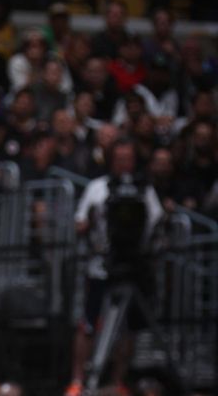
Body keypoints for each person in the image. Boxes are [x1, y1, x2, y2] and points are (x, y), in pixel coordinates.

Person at [66, 139, 163, 396]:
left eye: (128, 158)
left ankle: (118, 381)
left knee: (127, 328)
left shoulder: (145, 190)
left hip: (133, 266)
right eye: (119, 158)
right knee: (88, 324)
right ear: (111, 160)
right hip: (101, 266)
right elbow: (80, 221)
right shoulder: (98, 188)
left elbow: (156, 222)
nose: (124, 163)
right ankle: (78, 381)